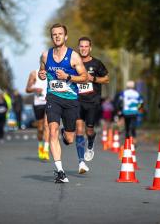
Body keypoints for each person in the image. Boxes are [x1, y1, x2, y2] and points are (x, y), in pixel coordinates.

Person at [38, 23, 88, 183]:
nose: (57, 36)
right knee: (52, 130)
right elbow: (42, 72)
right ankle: (60, 171)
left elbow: (85, 77)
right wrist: (41, 75)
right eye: (54, 34)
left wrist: (67, 77)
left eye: (60, 34)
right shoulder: (45, 55)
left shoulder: (73, 56)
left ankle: (64, 134)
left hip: (71, 100)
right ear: (51, 37)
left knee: (69, 138)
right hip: (53, 97)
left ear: (65, 37)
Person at [75, 36, 109, 173]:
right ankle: (81, 162)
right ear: (78, 48)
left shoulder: (97, 64)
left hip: (92, 102)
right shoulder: (74, 63)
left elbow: (106, 79)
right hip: (77, 100)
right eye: (81, 46)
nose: (83, 49)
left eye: (86, 46)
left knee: (89, 130)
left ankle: (90, 144)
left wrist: (92, 78)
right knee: (79, 130)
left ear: (90, 48)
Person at [26, 69, 50, 160]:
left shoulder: (52, 72)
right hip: (38, 103)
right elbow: (27, 89)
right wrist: (35, 89)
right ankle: (40, 147)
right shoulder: (34, 74)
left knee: (46, 125)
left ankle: (46, 150)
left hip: (49, 102)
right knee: (40, 128)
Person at [119, 81, 143, 145]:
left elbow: (120, 102)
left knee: (127, 126)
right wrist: (140, 112)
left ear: (127, 86)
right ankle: (134, 140)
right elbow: (140, 103)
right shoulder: (137, 93)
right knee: (133, 126)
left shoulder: (123, 93)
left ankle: (127, 141)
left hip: (126, 112)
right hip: (134, 112)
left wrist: (120, 111)